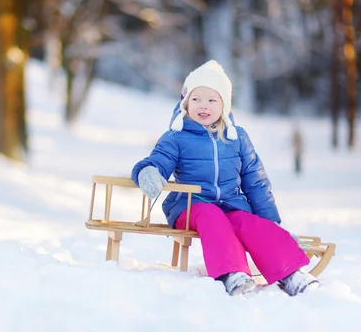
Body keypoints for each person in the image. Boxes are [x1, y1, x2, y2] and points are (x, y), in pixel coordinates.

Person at [131, 60, 319, 296]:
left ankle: (290, 273)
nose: (203, 106)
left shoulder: (237, 137)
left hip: (231, 205)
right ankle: (231, 272)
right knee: (211, 214)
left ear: (224, 105)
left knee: (248, 223)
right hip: (190, 206)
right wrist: (149, 172)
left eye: (212, 100)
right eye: (196, 99)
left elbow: (255, 180)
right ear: (185, 103)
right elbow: (158, 160)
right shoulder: (176, 137)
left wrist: (269, 221)